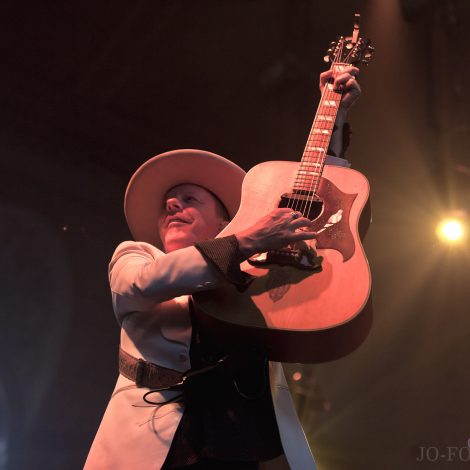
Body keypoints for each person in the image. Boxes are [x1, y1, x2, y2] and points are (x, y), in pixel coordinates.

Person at [84, 67, 361, 470]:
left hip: (246, 444)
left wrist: (333, 115)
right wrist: (245, 240)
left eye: (189, 198)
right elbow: (136, 285)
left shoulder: (254, 269)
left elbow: (319, 213)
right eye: (168, 204)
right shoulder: (137, 254)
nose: (172, 206)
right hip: (159, 447)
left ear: (223, 223)